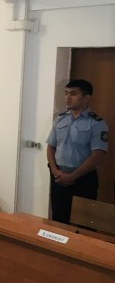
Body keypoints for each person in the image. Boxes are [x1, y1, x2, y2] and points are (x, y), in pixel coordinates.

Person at [46, 79, 108, 224]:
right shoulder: (60, 119)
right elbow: (51, 147)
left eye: (73, 94)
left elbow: (98, 155)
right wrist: (55, 171)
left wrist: (72, 176)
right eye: (66, 93)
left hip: (83, 180)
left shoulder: (97, 123)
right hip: (58, 177)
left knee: (84, 223)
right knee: (58, 220)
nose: (67, 98)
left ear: (86, 97)